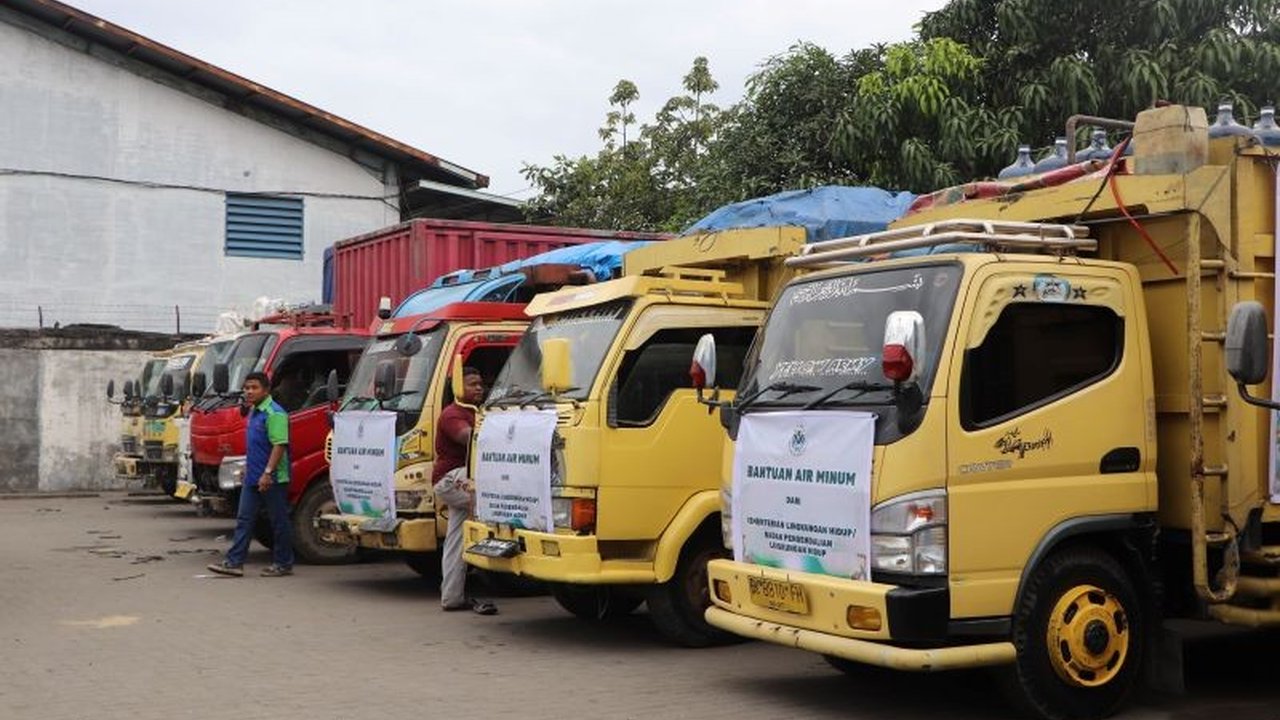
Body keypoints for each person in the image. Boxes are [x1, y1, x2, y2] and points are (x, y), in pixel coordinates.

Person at [208, 371, 294, 577]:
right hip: (253, 476)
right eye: (246, 388)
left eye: (254, 388)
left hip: (272, 478)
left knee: (279, 521)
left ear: (266, 390)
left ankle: (283, 563)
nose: (249, 392)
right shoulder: (255, 411)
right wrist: (248, 468)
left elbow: (279, 445)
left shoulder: (275, 413)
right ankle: (234, 562)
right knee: (244, 520)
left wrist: (267, 473)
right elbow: (256, 446)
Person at [432, 366, 497, 614]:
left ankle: (452, 597)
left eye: (480, 383)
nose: (479, 388)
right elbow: (469, 438)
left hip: (458, 478)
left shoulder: (474, 412)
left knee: (455, 541)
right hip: (451, 478)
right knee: (492, 498)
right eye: (472, 384)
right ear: (459, 388)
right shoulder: (453, 414)